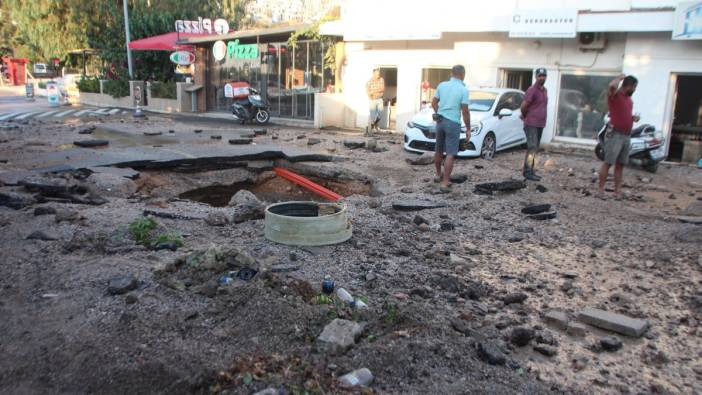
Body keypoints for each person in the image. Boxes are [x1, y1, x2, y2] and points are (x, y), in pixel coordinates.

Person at [598, 74, 640, 199]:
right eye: (634, 87)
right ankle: (600, 190)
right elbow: (611, 85)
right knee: (608, 162)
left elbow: (623, 114)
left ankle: (617, 192)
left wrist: (632, 118)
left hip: (626, 135)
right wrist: (619, 77)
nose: (635, 90)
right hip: (615, 134)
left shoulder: (629, 100)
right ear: (629, 86)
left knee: (620, 164)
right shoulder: (615, 96)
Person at [432, 65, 470, 192]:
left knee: (438, 150)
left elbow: (434, 102)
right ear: (463, 74)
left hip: (440, 121)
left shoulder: (442, 85)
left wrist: (439, 113)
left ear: (452, 73)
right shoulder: (463, 90)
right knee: (450, 153)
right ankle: (445, 182)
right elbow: (465, 111)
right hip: (453, 123)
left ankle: (438, 175)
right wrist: (468, 128)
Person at [520, 67, 548, 181]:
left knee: (535, 148)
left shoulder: (544, 90)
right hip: (531, 123)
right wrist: (526, 116)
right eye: (540, 75)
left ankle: (531, 170)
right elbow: (523, 106)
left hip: (540, 124)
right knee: (532, 147)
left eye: (544, 75)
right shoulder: (532, 90)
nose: (542, 77)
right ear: (536, 77)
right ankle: (527, 172)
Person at [365, 68, 385, 134]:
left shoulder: (381, 79)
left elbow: (382, 89)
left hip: (379, 99)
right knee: (373, 116)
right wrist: (370, 96)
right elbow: (368, 92)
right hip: (372, 100)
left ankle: (375, 125)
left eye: (379, 74)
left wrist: (373, 91)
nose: (378, 75)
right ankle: (371, 128)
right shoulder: (369, 81)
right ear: (373, 74)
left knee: (380, 113)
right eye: (376, 74)